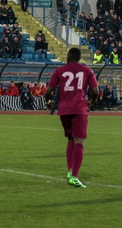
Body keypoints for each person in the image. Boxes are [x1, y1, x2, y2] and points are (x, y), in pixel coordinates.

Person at [45, 47, 99, 188]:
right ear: (79, 57)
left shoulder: (59, 71)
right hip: (79, 109)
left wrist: (47, 102)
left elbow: (48, 91)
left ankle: (70, 171)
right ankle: (74, 176)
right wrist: (92, 102)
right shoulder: (87, 71)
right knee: (79, 141)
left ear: (68, 56)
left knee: (70, 139)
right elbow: (95, 91)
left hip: (64, 110)